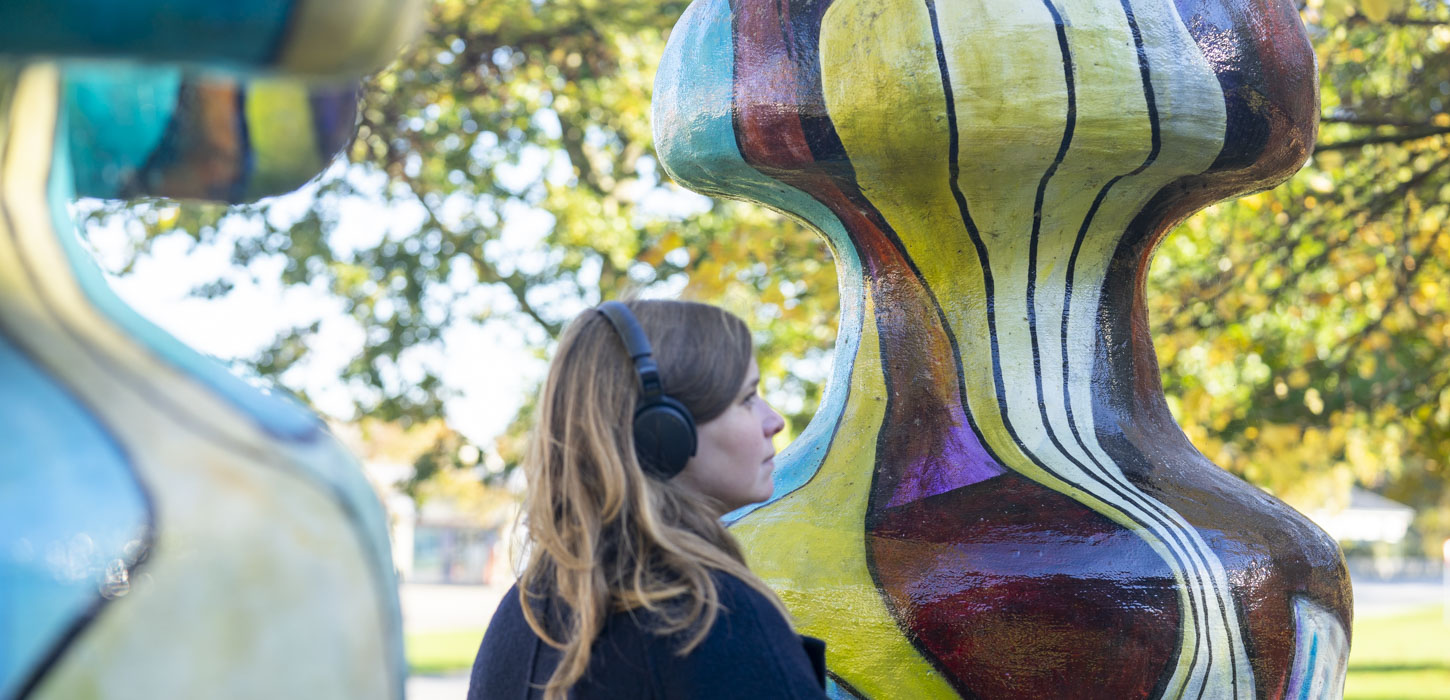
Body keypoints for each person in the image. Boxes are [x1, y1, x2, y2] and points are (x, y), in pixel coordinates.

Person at [466, 300, 829, 700]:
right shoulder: (713, 620)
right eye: (746, 398)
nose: (774, 420)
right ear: (664, 432)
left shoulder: (523, 611)